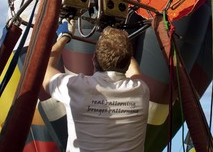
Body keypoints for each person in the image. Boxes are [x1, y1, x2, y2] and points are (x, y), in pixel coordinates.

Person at [42, 21, 150, 152]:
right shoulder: (141, 90)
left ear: (93, 59)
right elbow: (134, 71)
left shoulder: (75, 87)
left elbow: (44, 71)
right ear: (127, 63)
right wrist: (122, 47)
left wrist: (63, 37)